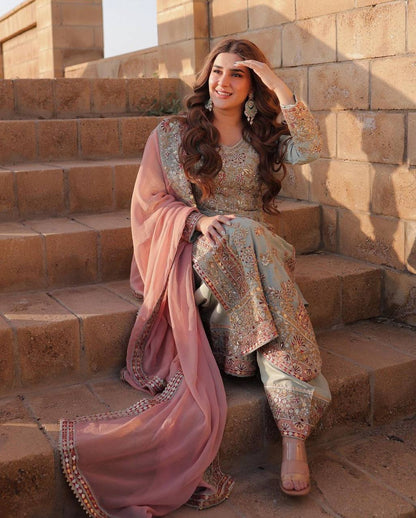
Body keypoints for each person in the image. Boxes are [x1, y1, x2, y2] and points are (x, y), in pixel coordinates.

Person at [59, 38, 331, 517]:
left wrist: (281, 87)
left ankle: (290, 425)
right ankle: (293, 431)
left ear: (253, 85)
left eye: (238, 74)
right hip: (199, 246)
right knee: (245, 244)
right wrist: (196, 220)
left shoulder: (263, 136)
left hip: (261, 252)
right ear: (207, 77)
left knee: (250, 237)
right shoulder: (173, 134)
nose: (223, 82)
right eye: (217, 71)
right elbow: (149, 202)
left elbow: (309, 149)